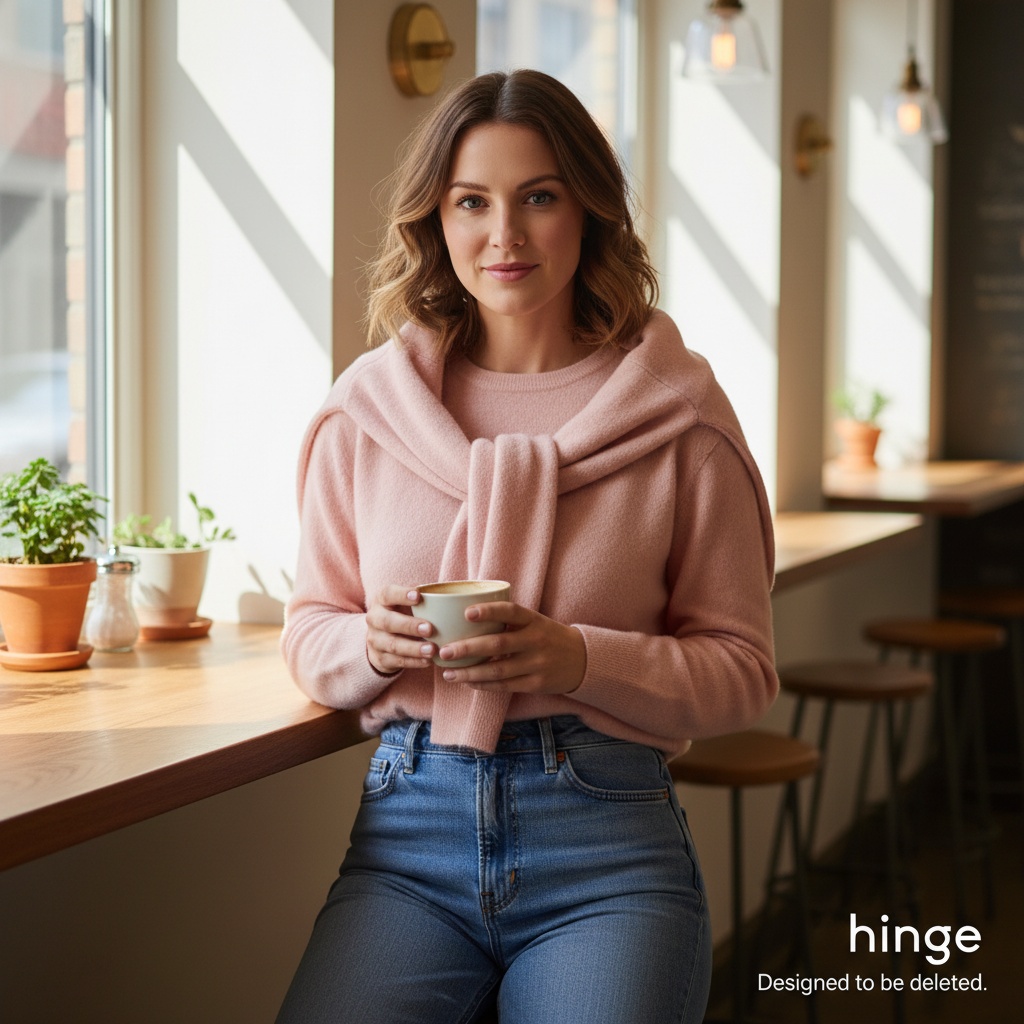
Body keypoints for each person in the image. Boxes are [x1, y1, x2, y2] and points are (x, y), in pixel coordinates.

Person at [276, 69, 777, 1024]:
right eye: (472, 201)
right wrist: (369, 646)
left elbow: (742, 671)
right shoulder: (368, 412)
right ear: (436, 219)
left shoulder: (679, 416)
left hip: (608, 852)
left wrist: (577, 658)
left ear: (588, 210)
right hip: (406, 841)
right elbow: (310, 629)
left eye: (538, 197)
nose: (503, 234)